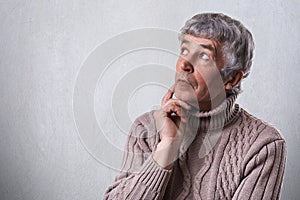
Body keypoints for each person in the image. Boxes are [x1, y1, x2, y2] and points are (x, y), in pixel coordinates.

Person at [104, 13, 286, 200]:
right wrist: (167, 148)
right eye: (184, 51)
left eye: (204, 56)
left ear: (231, 79)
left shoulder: (263, 144)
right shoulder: (146, 128)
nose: (184, 64)